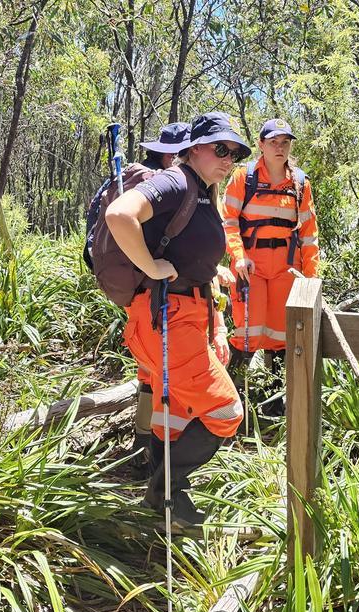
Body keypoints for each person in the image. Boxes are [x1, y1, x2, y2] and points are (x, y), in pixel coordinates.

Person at [104, 112, 248, 529]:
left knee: (178, 412)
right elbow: (120, 215)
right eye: (220, 148)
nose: (228, 158)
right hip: (166, 317)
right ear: (194, 148)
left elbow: (195, 259)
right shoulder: (177, 181)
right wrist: (150, 266)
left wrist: (214, 317)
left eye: (235, 153)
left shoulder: (204, 192)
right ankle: (165, 490)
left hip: (186, 314)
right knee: (226, 412)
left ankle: (165, 507)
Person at [222, 118, 318, 417]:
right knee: (245, 334)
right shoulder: (243, 178)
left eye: (285, 142)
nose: (280, 148)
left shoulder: (300, 184)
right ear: (261, 145)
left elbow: (309, 234)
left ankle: (274, 407)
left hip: (286, 271)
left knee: (281, 338)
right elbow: (228, 222)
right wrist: (238, 256)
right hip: (250, 270)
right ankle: (229, 405)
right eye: (273, 142)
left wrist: (311, 279)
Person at [127, 122, 192, 474]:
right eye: (181, 154)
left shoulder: (146, 181)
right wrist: (153, 268)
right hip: (154, 298)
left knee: (149, 372)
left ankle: (143, 446)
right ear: (169, 154)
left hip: (138, 297)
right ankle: (152, 455)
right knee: (160, 375)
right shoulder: (162, 187)